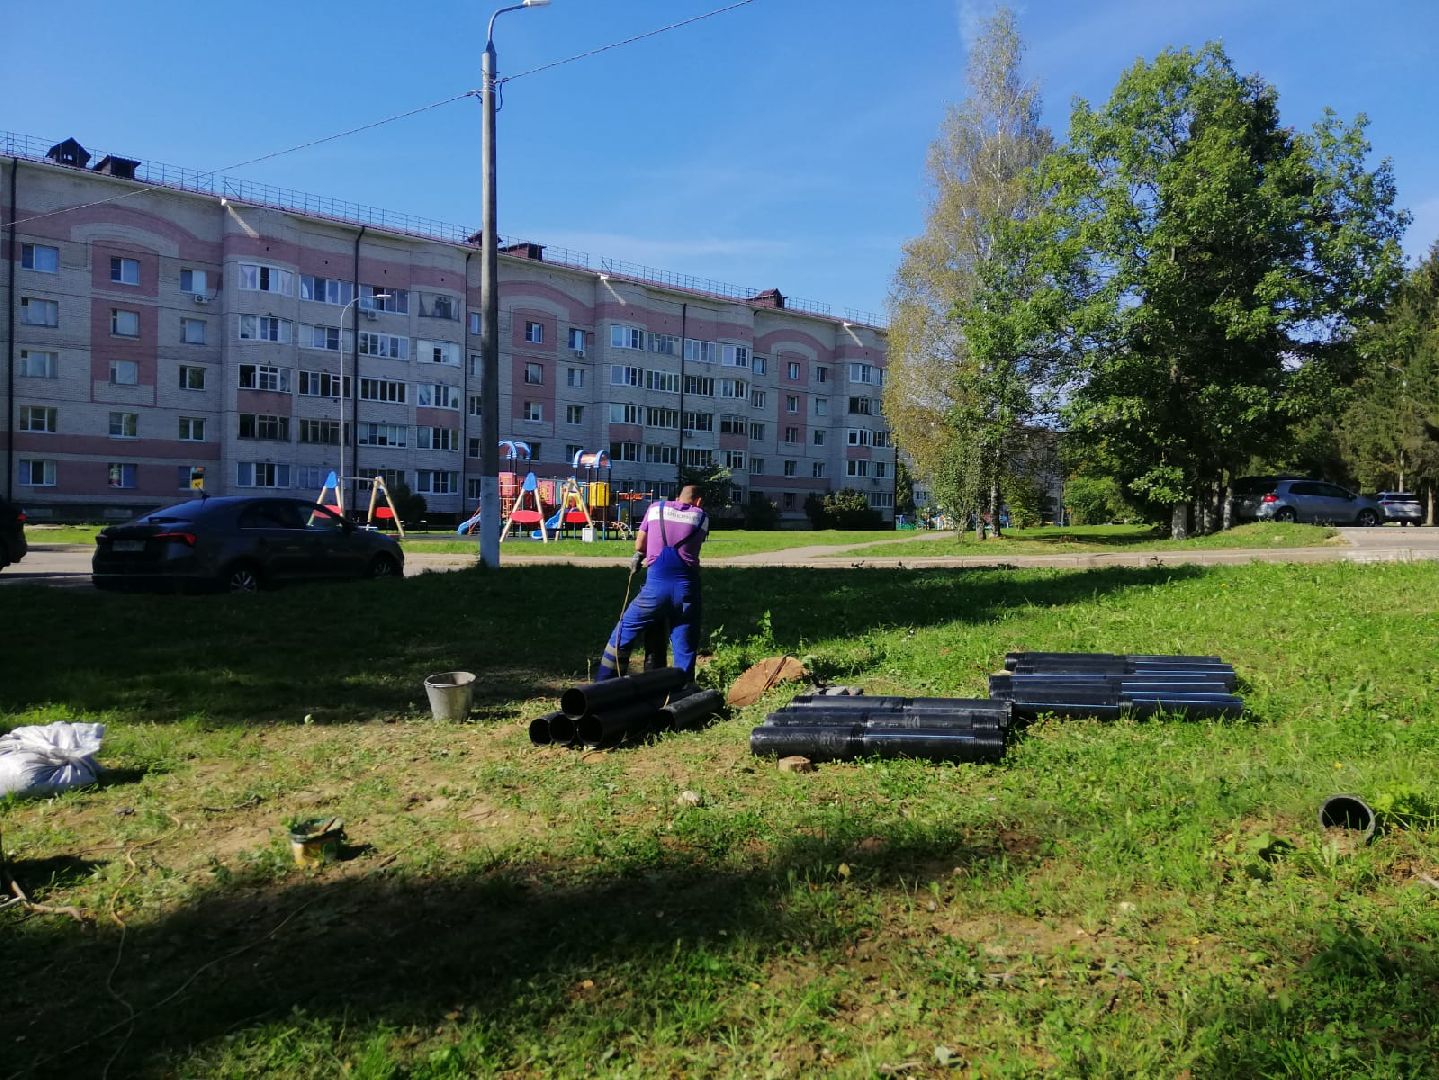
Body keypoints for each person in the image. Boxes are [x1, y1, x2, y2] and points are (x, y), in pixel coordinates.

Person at [595, 485, 710, 681]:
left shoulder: (656, 508)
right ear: (698, 501)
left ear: (677, 497)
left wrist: (641, 555)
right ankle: (683, 690)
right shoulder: (702, 517)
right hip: (686, 591)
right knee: (685, 645)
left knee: (623, 632)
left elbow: (640, 545)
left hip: (654, 591)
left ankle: (605, 681)